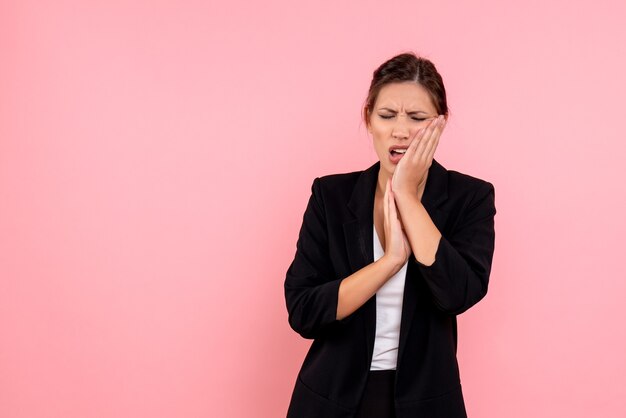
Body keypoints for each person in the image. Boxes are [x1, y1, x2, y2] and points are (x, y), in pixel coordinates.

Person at [284, 52, 497, 418]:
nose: (400, 130)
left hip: (427, 403)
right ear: (368, 118)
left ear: (439, 124)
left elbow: (457, 294)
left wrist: (408, 197)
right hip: (330, 400)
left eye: (417, 118)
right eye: (386, 116)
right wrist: (390, 262)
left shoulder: (470, 198)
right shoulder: (330, 196)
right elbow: (303, 313)